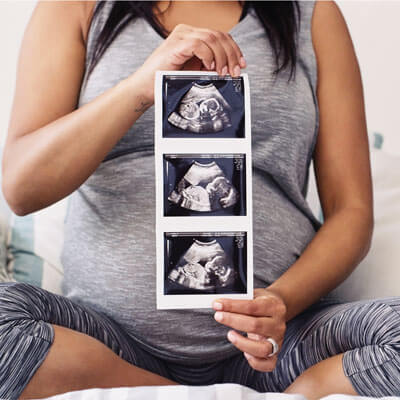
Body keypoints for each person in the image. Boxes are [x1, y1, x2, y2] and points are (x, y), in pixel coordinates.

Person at [1, 0, 399, 399]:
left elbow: (352, 212)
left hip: (276, 346)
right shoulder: (76, 7)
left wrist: (280, 302)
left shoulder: (312, 13)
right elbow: (22, 188)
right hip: (108, 341)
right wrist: (141, 86)